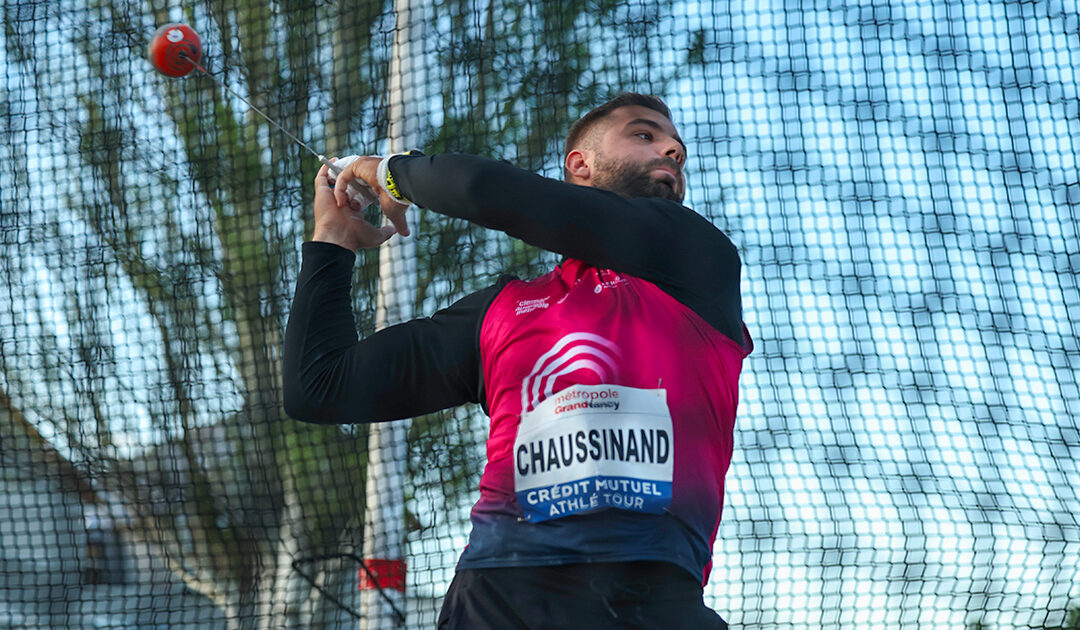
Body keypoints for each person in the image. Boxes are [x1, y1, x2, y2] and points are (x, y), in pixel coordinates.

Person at [283, 93, 751, 629]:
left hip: (649, 598)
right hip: (494, 599)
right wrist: (331, 244)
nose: (672, 149)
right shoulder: (500, 313)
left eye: (677, 149)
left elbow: (485, 190)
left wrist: (389, 173)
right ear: (581, 164)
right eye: (644, 135)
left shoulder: (698, 260)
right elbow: (317, 385)